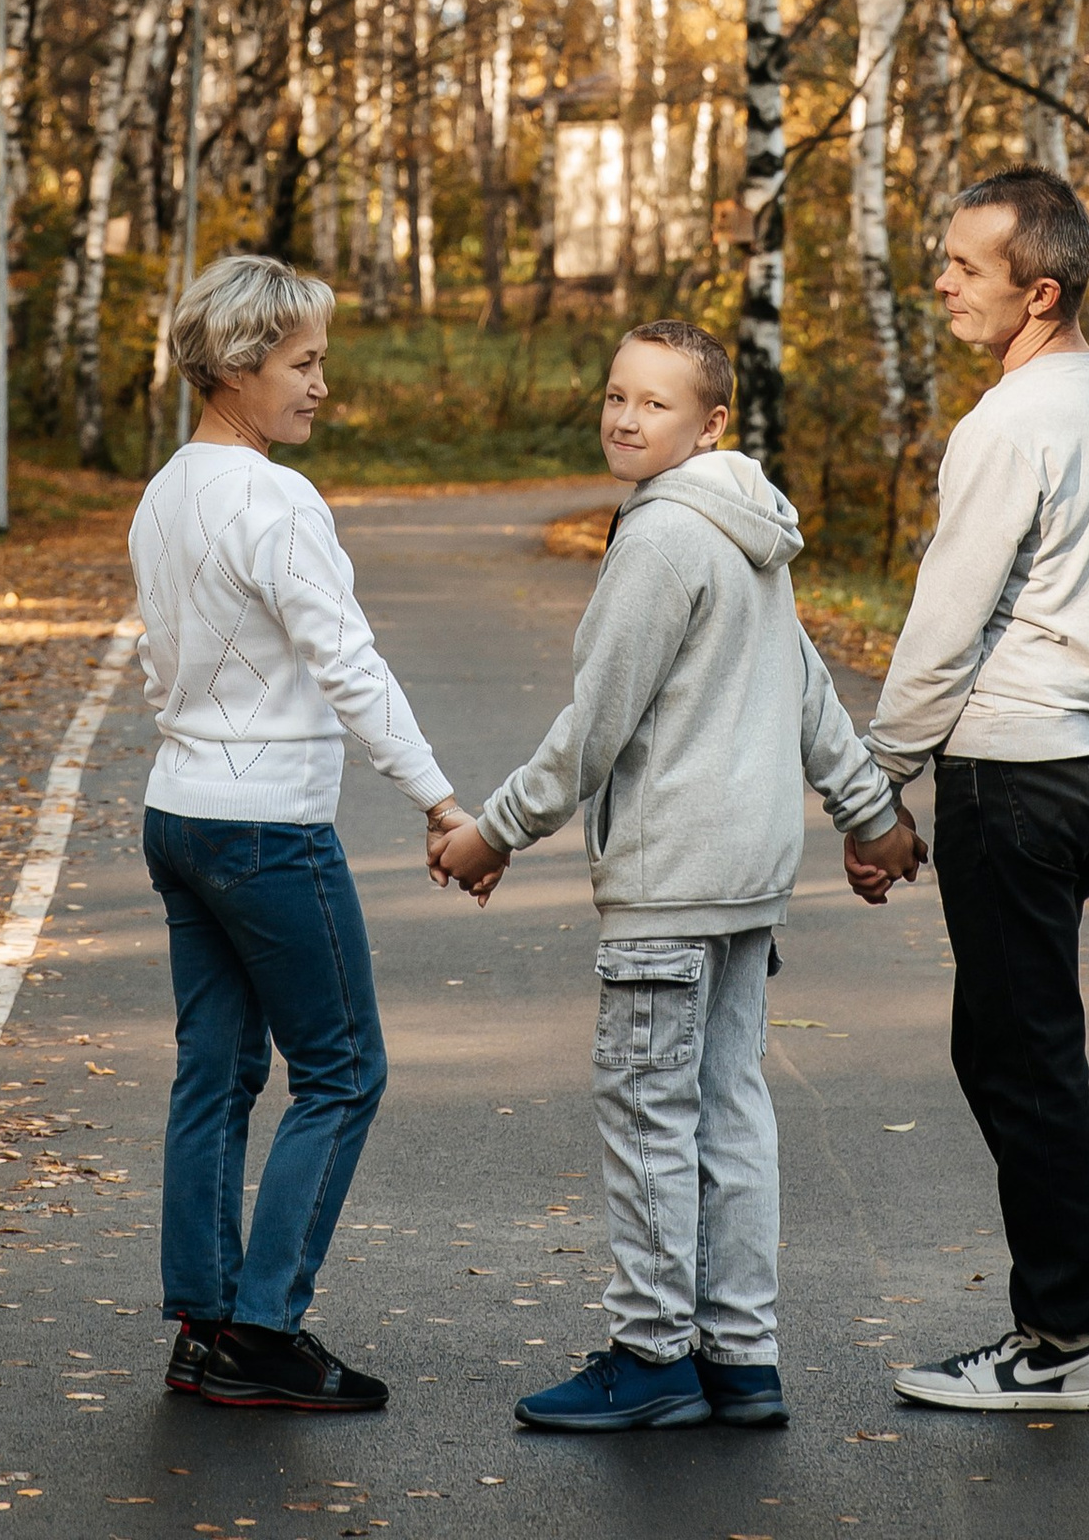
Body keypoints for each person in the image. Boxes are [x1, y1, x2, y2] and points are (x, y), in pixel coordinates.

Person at [430, 320, 919, 1435]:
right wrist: (872, 815)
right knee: (729, 1109)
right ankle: (740, 1357)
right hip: (744, 883)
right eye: (615, 395)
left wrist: (494, 833)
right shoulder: (752, 531)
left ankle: (653, 1353)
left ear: (709, 424)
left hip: (671, 880)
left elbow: (595, 724)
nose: (624, 418)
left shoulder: (660, 539)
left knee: (651, 1113)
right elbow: (808, 695)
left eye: (654, 403)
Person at [850, 166, 1089, 1421]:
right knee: (1022, 1050)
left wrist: (876, 788)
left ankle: (1055, 1342)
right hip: (1079, 768)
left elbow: (945, 622)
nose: (939, 281)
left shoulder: (1009, 423)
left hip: (1009, 771)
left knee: (1018, 1059)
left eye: (963, 266)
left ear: (1038, 291)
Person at [127, 253, 474, 1418]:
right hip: (266, 828)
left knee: (216, 1073)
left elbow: (161, 661)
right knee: (342, 1070)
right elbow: (349, 667)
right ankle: (266, 1331)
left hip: (179, 813)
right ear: (237, 367)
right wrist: (440, 801)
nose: (321, 385)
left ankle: (203, 1327)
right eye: (303, 363)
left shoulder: (166, 492)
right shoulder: (276, 502)